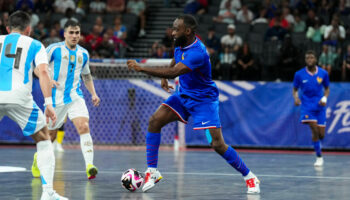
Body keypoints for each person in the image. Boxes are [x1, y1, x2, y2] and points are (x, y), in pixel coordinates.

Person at [127, 14, 260, 194]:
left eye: (176, 29)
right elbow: (175, 59)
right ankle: (152, 170)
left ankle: (250, 176)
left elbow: (175, 72)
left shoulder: (198, 52)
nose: (173, 32)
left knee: (217, 145)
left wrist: (142, 68)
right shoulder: (180, 42)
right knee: (155, 121)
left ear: (188, 31)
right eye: (173, 28)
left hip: (204, 100)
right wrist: (164, 78)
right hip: (183, 95)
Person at [0, 11, 67, 200]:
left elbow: (38, 71)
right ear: (29, 29)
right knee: (44, 138)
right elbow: (44, 72)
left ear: (7, 28)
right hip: (19, 98)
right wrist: (48, 103)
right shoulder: (35, 44)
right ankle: (48, 193)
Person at [31, 20, 101, 180]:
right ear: (65, 34)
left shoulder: (83, 53)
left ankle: (89, 166)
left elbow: (86, 75)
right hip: (55, 99)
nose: (75, 35)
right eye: (71, 32)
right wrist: (47, 79)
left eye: (77, 32)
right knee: (49, 137)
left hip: (75, 96)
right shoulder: (53, 49)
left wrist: (93, 93)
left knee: (83, 126)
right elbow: (36, 68)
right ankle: (37, 160)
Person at [293, 50, 330, 167]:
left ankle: (318, 148)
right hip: (307, 106)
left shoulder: (323, 73)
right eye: (307, 58)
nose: (309, 60)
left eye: (311, 58)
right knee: (313, 129)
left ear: (316, 59)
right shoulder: (299, 74)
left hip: (320, 106)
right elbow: (295, 89)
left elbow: (327, 88)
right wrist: (296, 98)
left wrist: (325, 97)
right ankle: (319, 157)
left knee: (321, 135)